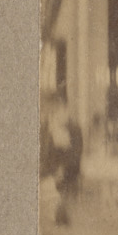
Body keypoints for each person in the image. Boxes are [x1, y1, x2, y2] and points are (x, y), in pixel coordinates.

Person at [39, 93, 85, 224]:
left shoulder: (74, 129)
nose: (56, 114)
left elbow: (76, 154)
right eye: (53, 111)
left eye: (60, 110)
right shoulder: (46, 128)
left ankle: (60, 210)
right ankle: (57, 210)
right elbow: (44, 153)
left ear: (66, 110)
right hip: (51, 169)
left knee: (59, 187)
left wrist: (62, 169)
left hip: (68, 169)